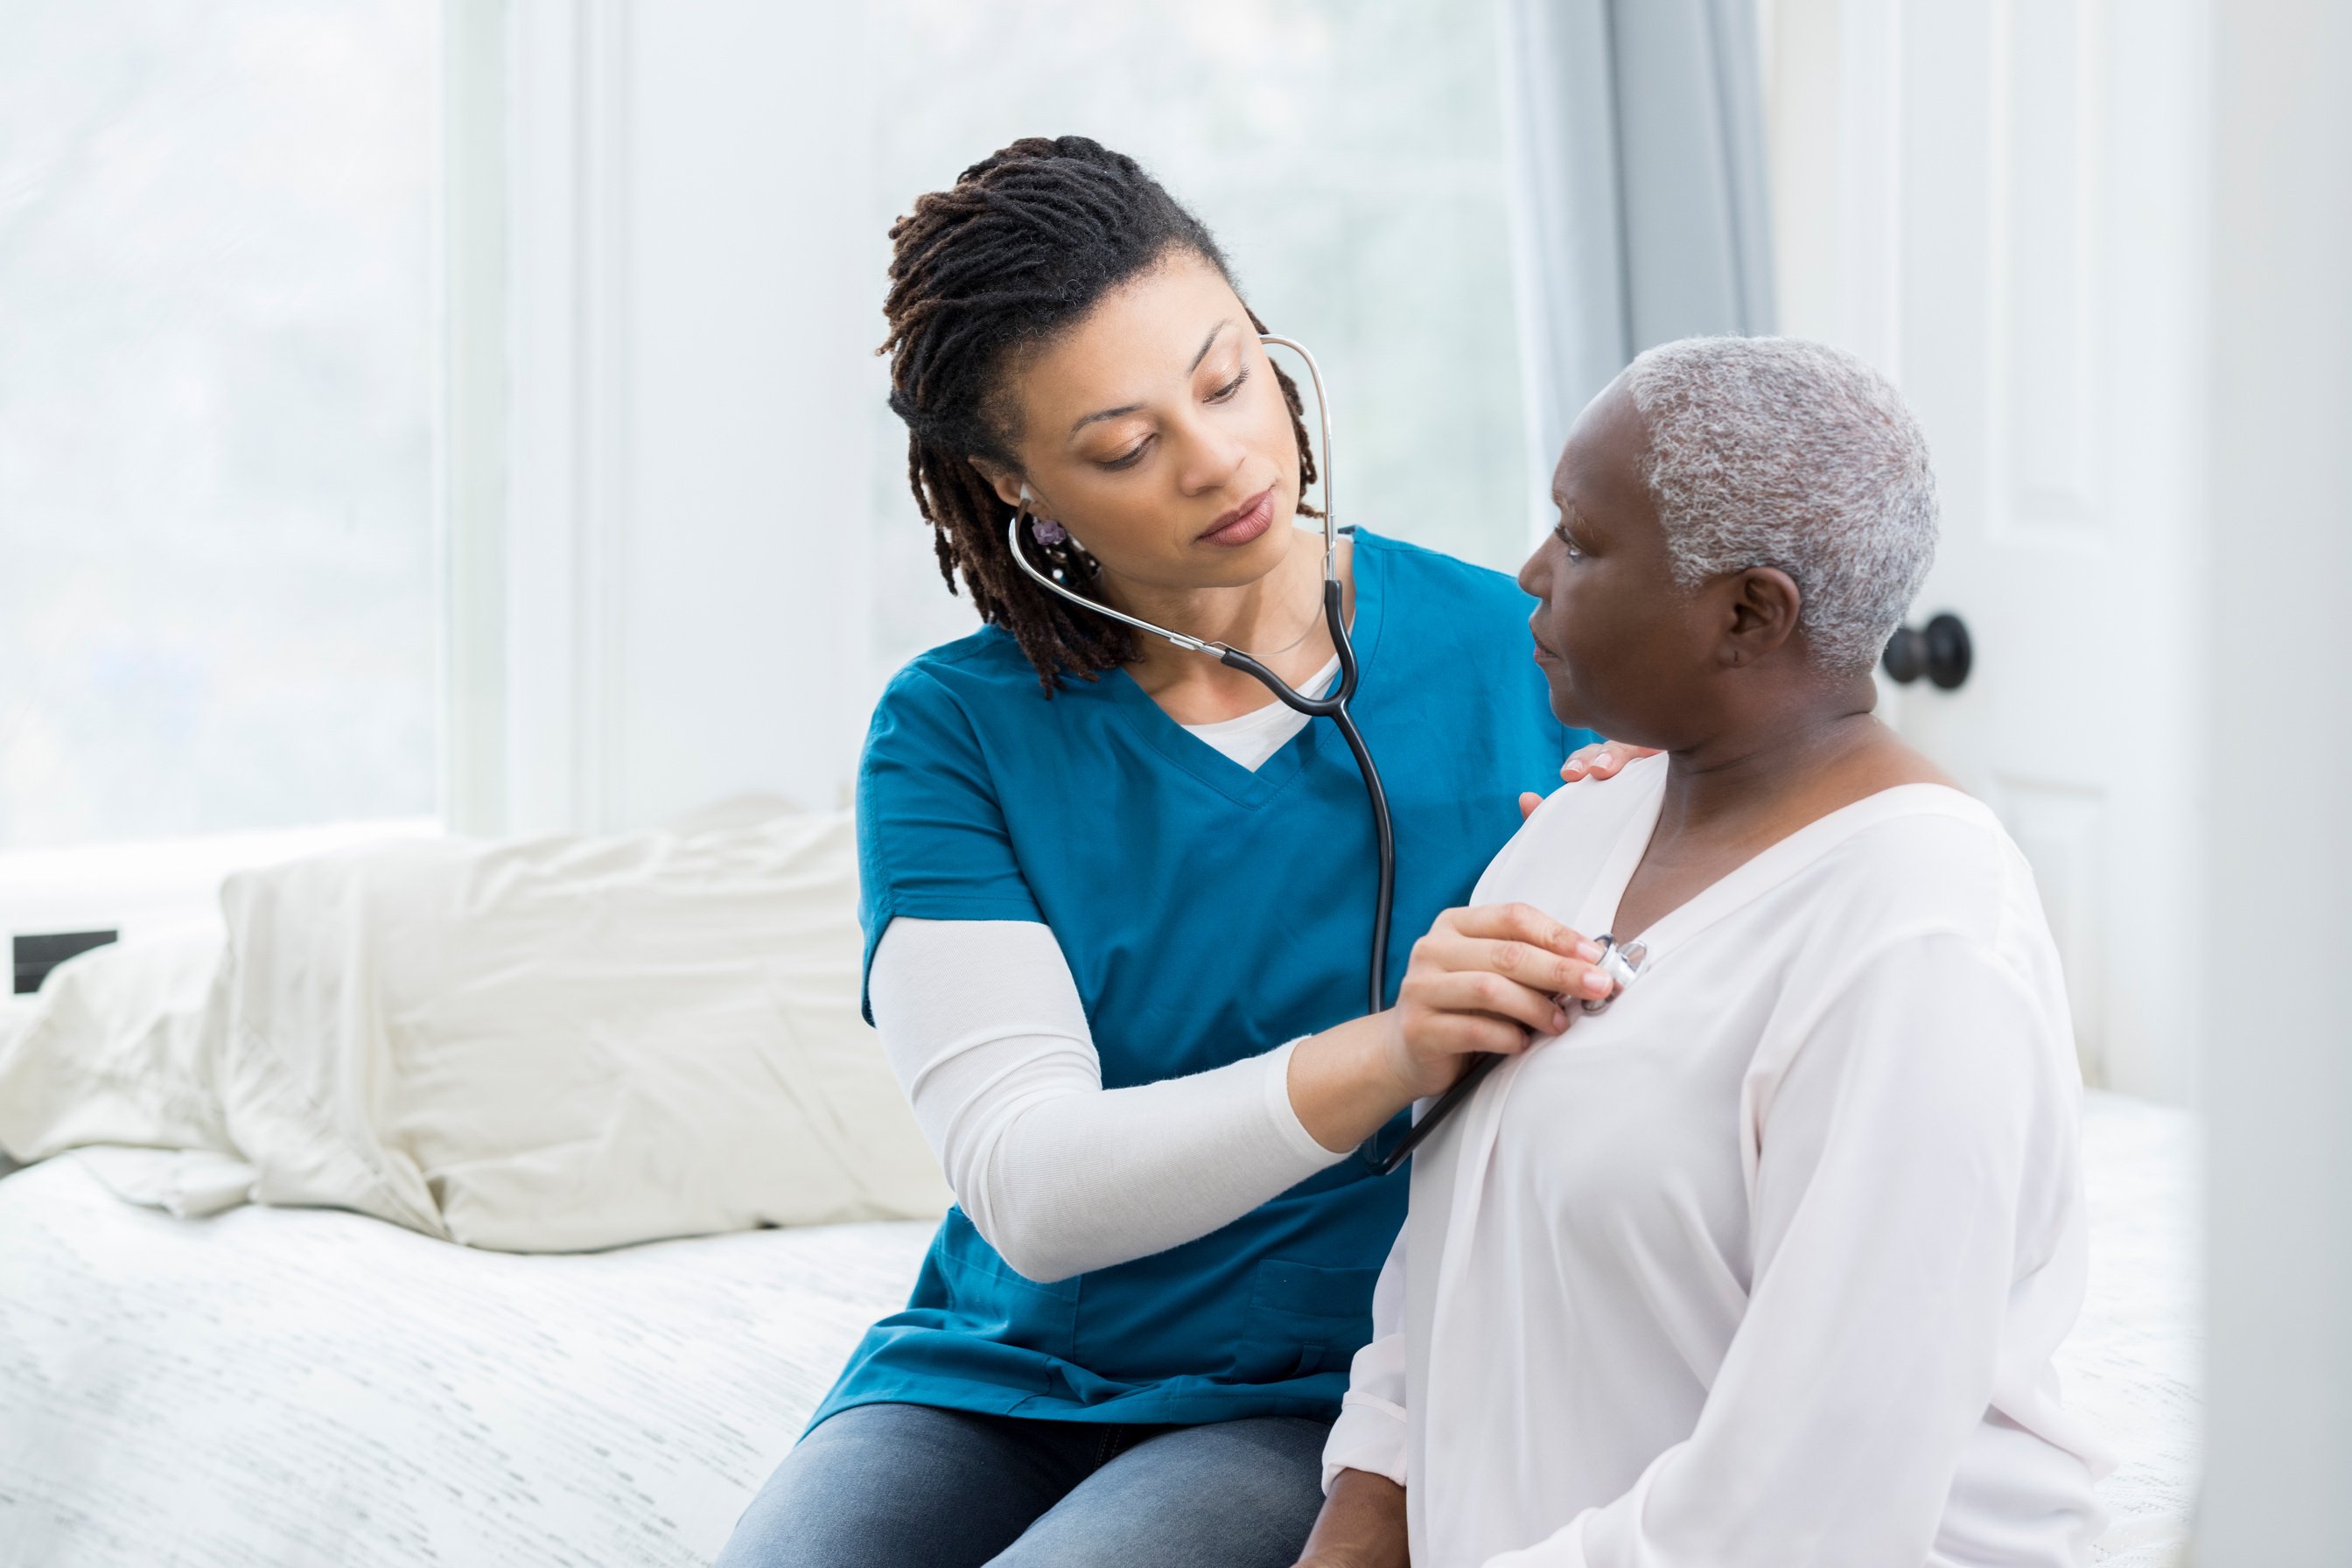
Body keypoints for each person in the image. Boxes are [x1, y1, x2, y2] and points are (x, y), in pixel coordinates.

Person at [718, 136, 1632, 1568]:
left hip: (1331, 1393)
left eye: (1226, 378)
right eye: (1125, 447)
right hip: (999, 1378)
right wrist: (1394, 1047)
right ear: (1021, 491)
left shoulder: (1534, 657)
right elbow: (1036, 1189)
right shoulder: (954, 733)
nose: (1221, 460)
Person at [1297, 336, 2110, 1568]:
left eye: (1579, 539)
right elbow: (1444, 1285)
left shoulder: (1922, 941)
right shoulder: (1572, 831)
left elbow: (1801, 1515)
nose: (1531, 571)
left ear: (1748, 613)